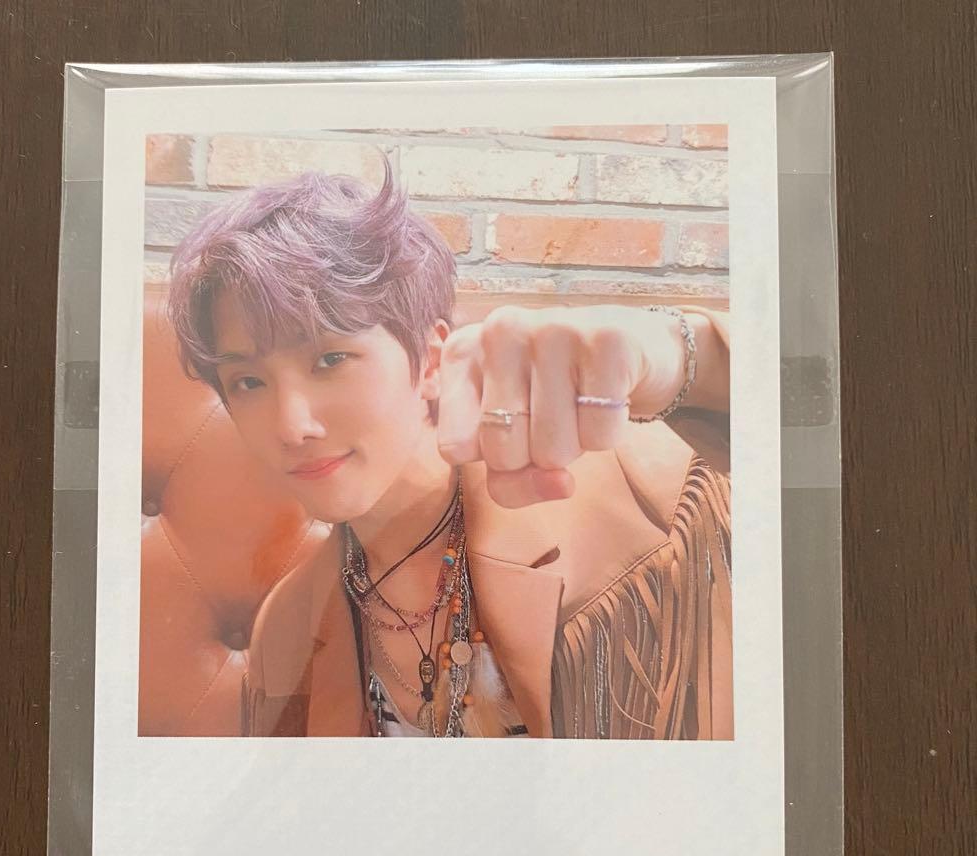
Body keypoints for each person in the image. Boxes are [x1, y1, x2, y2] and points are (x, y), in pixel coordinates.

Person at [167, 158, 732, 739]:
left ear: (432, 359)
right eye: (248, 382)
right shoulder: (286, 634)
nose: (292, 426)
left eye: (330, 359)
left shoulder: (647, 507)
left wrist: (686, 354)